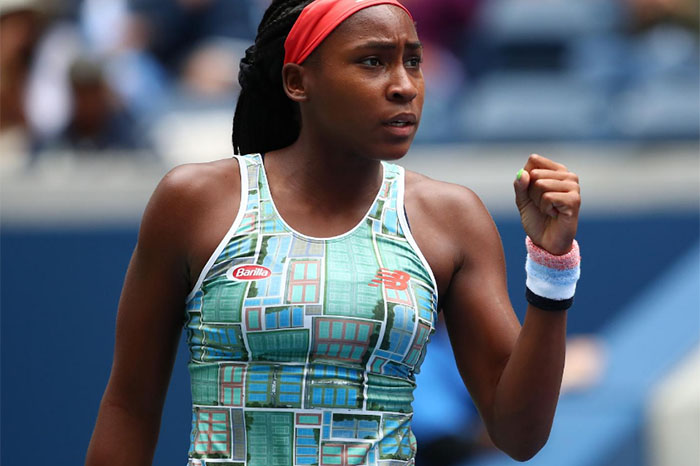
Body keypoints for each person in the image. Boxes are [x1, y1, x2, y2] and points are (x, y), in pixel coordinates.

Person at [85, 1, 582, 465]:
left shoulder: (452, 217)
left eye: (413, 62)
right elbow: (129, 405)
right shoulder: (194, 201)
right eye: (372, 62)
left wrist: (552, 269)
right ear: (297, 81)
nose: (404, 86)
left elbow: (520, 435)